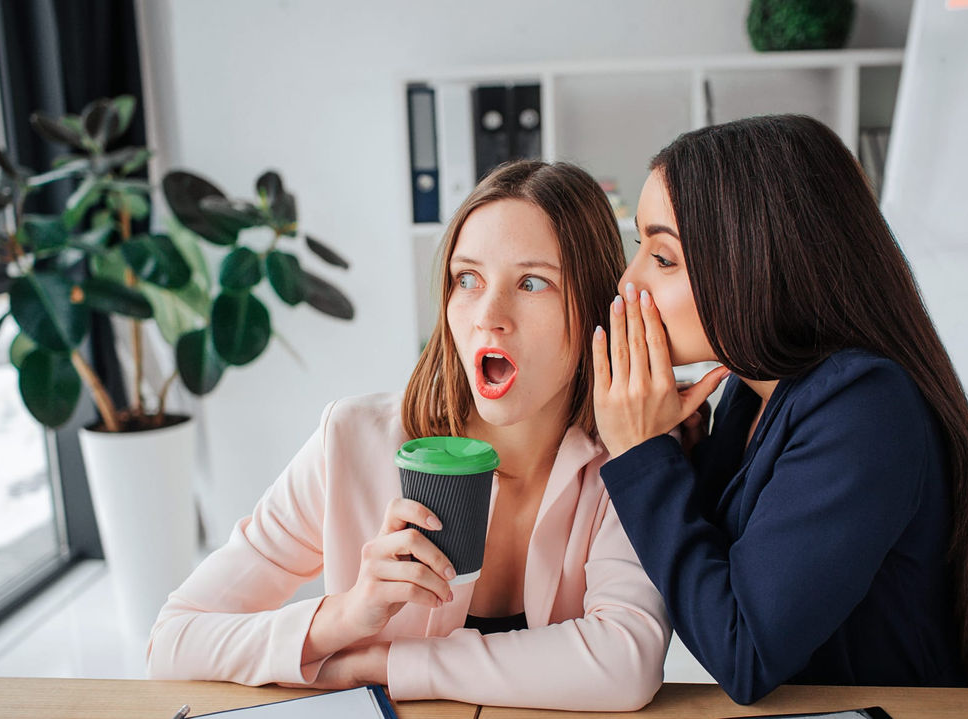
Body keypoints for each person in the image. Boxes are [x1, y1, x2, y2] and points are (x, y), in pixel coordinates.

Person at [147, 160, 670, 711]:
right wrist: (350, 614)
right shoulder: (350, 442)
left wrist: (385, 664)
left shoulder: (627, 459)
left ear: (593, 306)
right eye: (467, 279)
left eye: (532, 282)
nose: (487, 317)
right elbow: (174, 641)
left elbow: (625, 663)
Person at [591, 115, 968, 705]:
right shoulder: (752, 391)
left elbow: (743, 653)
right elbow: (716, 570)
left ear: (757, 262)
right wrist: (675, 454)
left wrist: (642, 457)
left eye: (663, 259)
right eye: (640, 249)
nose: (627, 283)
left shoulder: (865, 408)